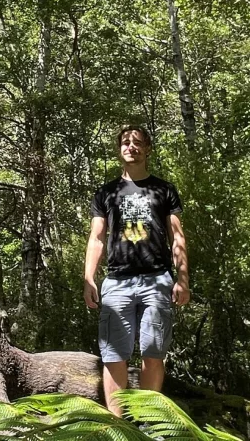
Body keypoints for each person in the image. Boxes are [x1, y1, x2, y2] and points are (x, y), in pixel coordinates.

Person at [83, 125, 191, 416]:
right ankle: (118, 425)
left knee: (153, 354)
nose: (131, 147)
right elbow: (96, 237)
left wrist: (182, 280)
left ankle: (148, 421)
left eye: (138, 143)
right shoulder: (106, 192)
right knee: (114, 356)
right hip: (117, 281)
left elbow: (177, 238)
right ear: (119, 150)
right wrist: (89, 278)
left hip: (157, 280)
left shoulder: (164, 189)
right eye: (126, 143)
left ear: (148, 149)